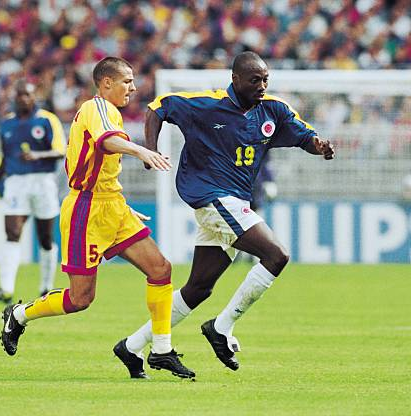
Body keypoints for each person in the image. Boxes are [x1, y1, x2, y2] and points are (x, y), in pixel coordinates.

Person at [124, 51, 335, 371]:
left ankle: (132, 346)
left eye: (265, 79)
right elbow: (158, 107)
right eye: (255, 80)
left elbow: (304, 135)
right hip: (212, 197)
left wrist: (318, 147)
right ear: (235, 79)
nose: (262, 85)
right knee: (277, 255)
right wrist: (149, 150)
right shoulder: (207, 104)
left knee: (198, 289)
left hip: (233, 202)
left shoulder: (273, 110)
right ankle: (221, 327)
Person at [0, 57, 195, 380]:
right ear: (106, 83)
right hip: (85, 212)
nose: (132, 87)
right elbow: (107, 141)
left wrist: (121, 204)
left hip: (112, 205)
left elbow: (103, 159)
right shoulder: (98, 108)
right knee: (80, 298)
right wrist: (142, 151)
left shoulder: (110, 111)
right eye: (126, 81)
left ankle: (160, 350)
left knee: (161, 269)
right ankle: (19, 315)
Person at [0, 80, 65, 304]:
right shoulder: (6, 124)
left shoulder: (47, 119)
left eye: (27, 95)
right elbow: (5, 159)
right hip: (15, 182)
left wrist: (38, 156)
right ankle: (5, 288)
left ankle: (46, 287)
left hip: (42, 181)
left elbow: (60, 151)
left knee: (45, 238)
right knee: (12, 233)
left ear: (33, 97)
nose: (23, 99)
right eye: (19, 95)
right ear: (14, 98)